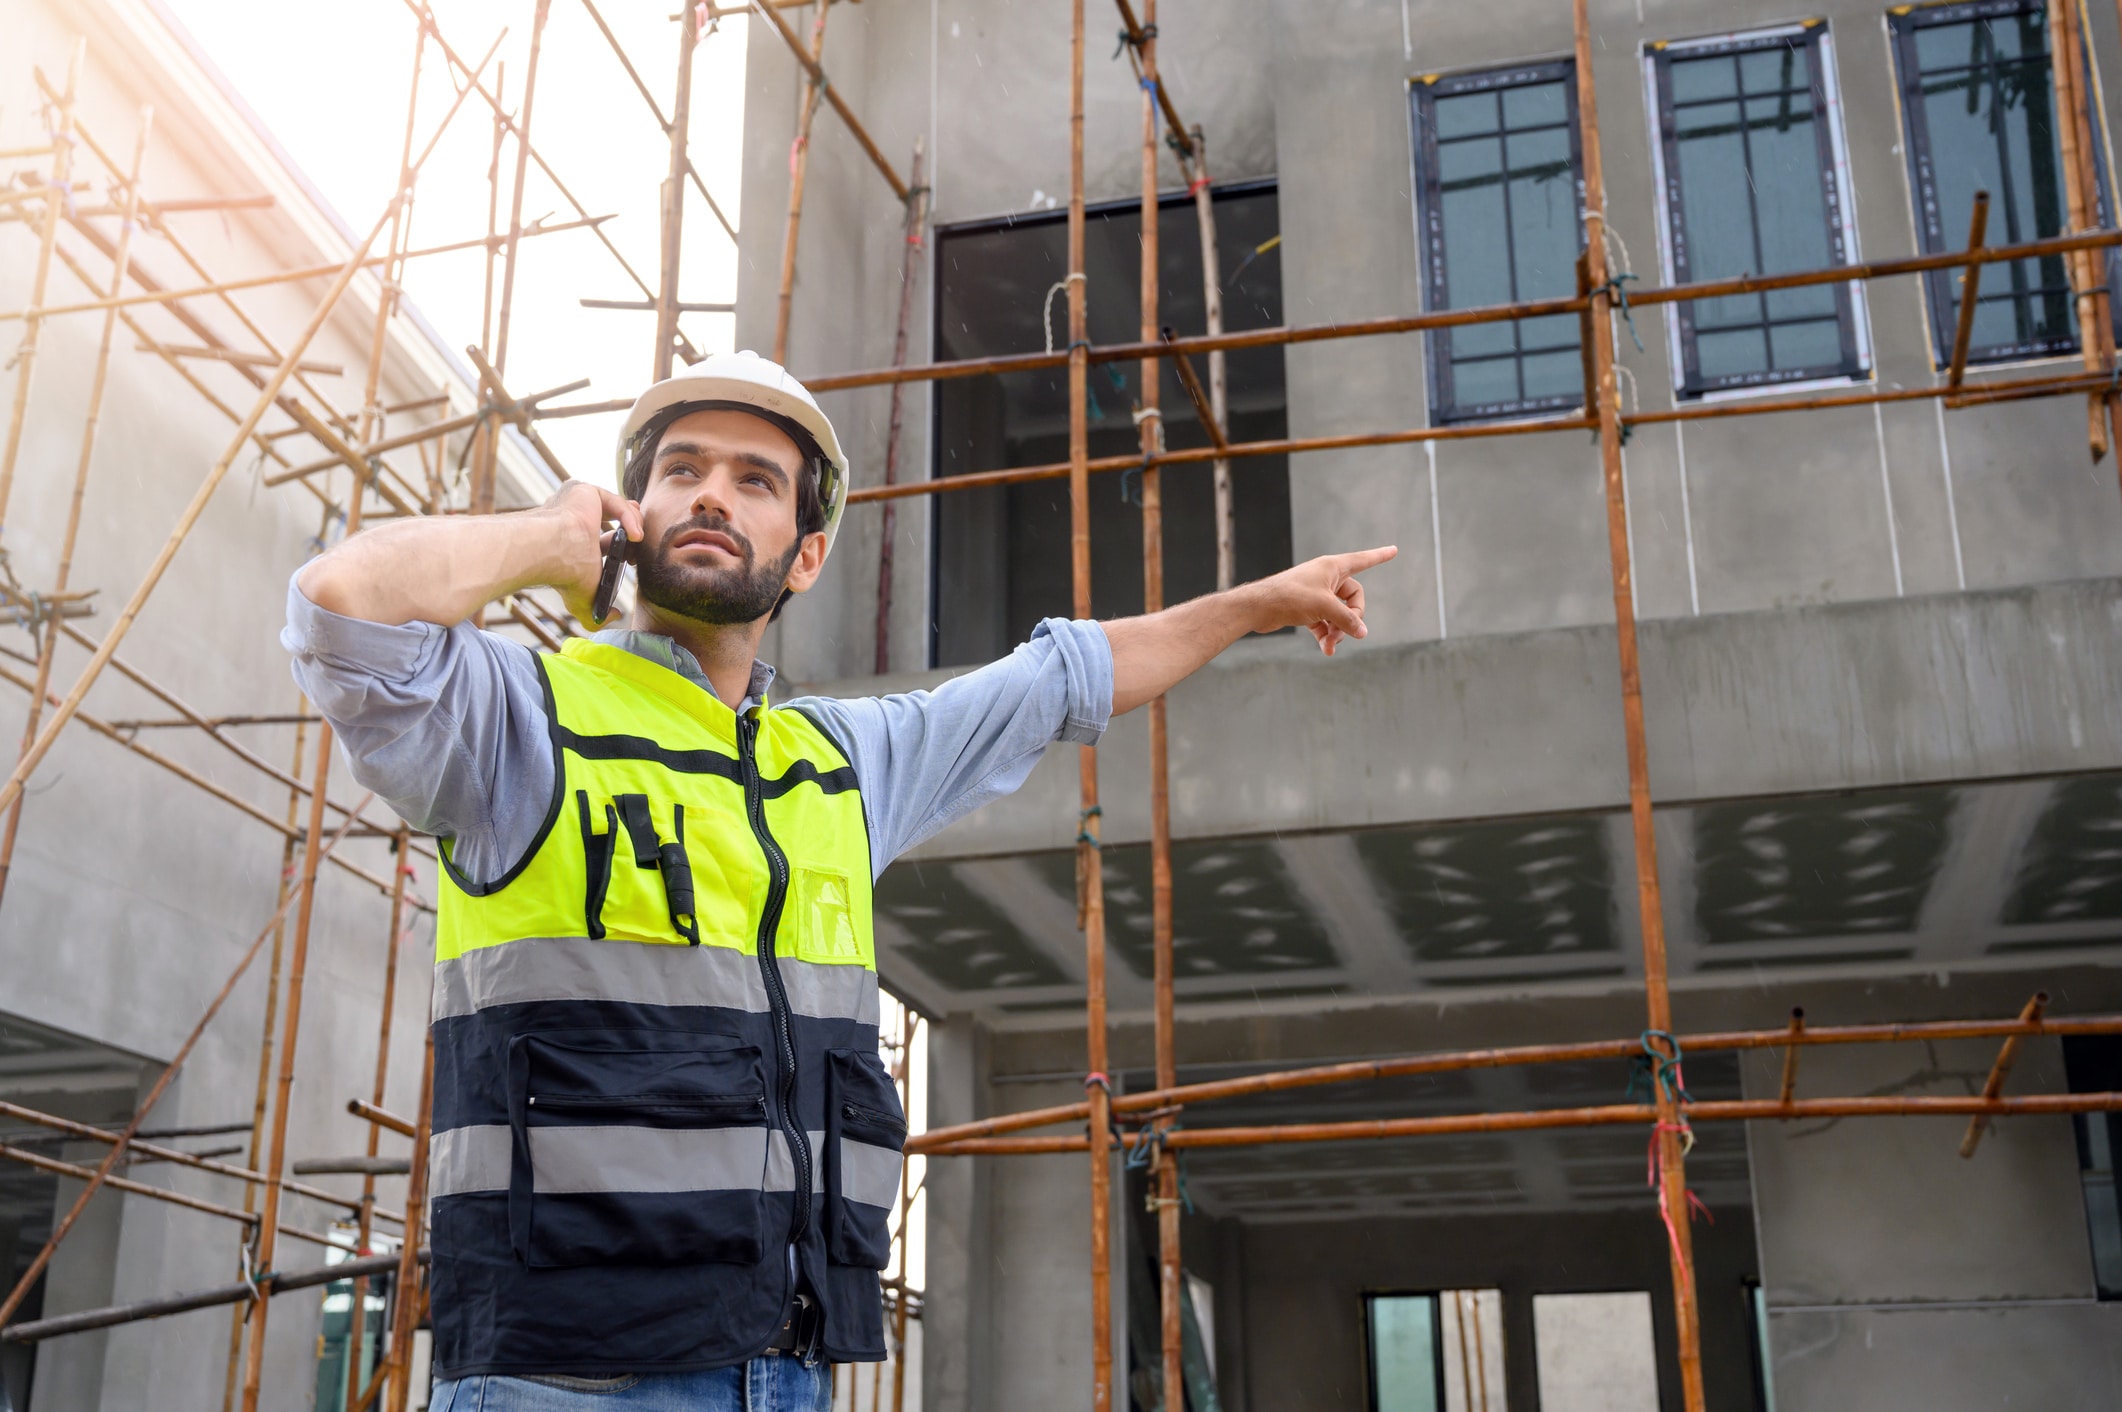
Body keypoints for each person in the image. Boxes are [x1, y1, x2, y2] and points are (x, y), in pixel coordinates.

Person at [285, 350, 1394, 1411]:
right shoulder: (519, 719)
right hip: (562, 1375)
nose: (712, 495)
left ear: (804, 554)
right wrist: (545, 539)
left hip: (790, 1367)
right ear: (630, 516)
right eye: (682, 471)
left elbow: (1060, 678)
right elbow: (339, 604)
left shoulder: (837, 764)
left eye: (754, 480)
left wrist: (1256, 604)